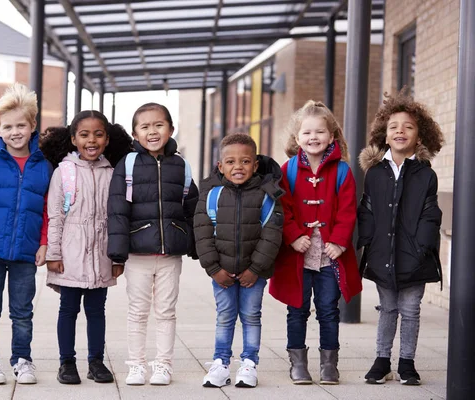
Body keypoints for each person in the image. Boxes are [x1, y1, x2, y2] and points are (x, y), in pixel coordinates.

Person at [269, 100, 362, 385]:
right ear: (297, 138)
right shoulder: (288, 170)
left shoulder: (343, 171)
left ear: (332, 136)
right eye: (307, 133)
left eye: (320, 132)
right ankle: (298, 363)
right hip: (299, 253)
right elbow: (283, 208)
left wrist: (339, 242)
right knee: (296, 310)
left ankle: (329, 364)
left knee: (328, 309)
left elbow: (348, 210)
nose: (313, 138)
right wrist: (294, 235)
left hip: (330, 255)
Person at [107, 102, 199, 386]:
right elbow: (117, 209)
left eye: (158, 125)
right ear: (135, 134)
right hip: (137, 252)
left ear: (171, 129)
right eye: (145, 127)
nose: (152, 131)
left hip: (170, 252)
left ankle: (163, 365)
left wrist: (195, 245)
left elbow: (192, 206)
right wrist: (118, 255)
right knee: (137, 311)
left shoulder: (180, 165)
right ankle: (136, 365)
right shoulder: (129, 164)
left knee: (166, 311)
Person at [0, 83, 52, 385]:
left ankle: (22, 360)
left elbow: (46, 208)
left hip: (26, 251)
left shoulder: (44, 165)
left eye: (20, 125)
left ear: (32, 126)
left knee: (22, 312)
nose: (15, 131)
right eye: (7, 127)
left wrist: (43, 243)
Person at [39, 110, 132, 385]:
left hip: (101, 254)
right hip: (70, 254)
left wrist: (117, 256)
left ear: (106, 139)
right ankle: (66, 362)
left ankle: (96, 361)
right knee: (67, 309)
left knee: (96, 310)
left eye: (98, 134)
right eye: (84, 134)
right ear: (73, 139)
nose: (91, 140)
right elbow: (55, 216)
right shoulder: (64, 172)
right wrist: (54, 254)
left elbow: (117, 219)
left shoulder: (113, 173)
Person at [357, 91, 444, 386]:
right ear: (384, 133)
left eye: (408, 126)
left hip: (415, 255)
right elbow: (366, 211)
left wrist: (422, 247)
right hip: (383, 254)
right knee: (387, 308)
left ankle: (407, 362)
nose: (400, 131)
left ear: (420, 135)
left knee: (410, 310)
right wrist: (367, 244)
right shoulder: (374, 174)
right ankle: (382, 361)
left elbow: (430, 215)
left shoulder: (425, 174)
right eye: (394, 126)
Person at [193, 133, 284, 388]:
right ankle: (221, 363)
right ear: (220, 166)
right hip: (221, 272)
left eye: (245, 162)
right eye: (231, 162)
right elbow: (202, 232)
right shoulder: (211, 195)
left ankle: (249, 364)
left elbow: (272, 234)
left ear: (255, 165)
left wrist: (255, 269)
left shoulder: (268, 196)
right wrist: (213, 268)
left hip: (253, 274)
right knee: (225, 316)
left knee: (251, 316)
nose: (238, 167)